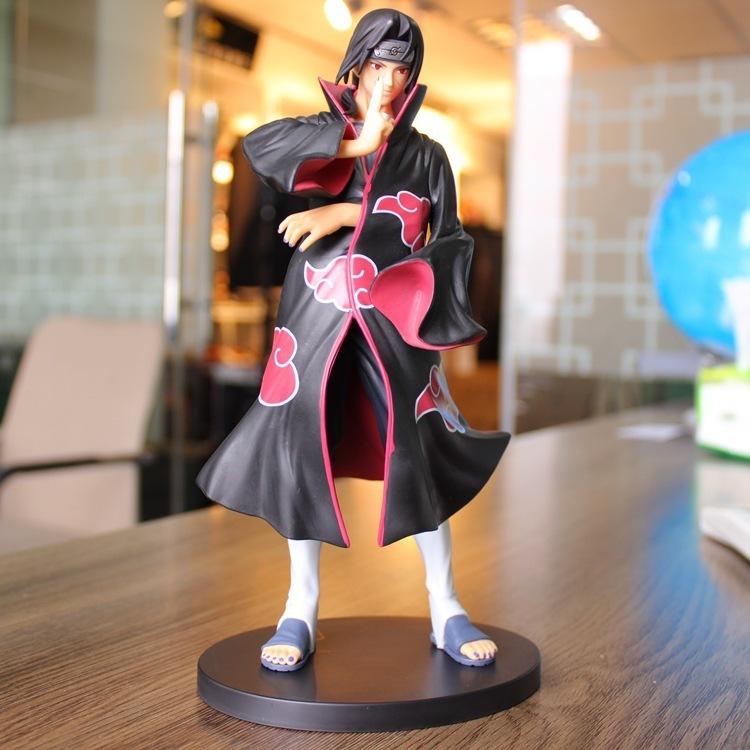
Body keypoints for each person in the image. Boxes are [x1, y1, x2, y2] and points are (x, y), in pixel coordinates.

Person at [196, 8, 510, 672]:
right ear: (358, 63)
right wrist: (354, 146)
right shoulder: (321, 130)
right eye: (379, 65)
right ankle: (299, 607)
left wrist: (350, 213)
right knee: (301, 447)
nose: (389, 80)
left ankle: (446, 605)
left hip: (393, 318)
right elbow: (262, 148)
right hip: (316, 312)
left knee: (418, 448)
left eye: (402, 69)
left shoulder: (428, 155)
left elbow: (449, 237)